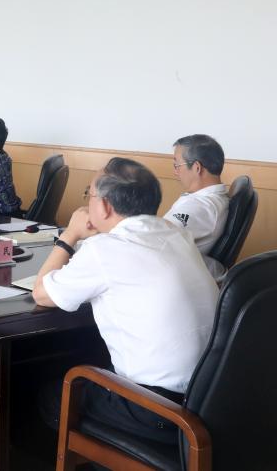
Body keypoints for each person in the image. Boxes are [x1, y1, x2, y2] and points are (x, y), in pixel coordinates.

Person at [33, 158, 218, 445]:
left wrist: (70, 234)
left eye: (90, 194)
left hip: (157, 410)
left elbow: (41, 294)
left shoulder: (105, 249)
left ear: (105, 206)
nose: (87, 203)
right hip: (210, 399)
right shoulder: (177, 234)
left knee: (51, 396)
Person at [164, 134, 229, 280]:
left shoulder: (201, 206)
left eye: (177, 165)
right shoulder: (212, 198)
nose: (175, 172)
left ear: (197, 167)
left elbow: (157, 240)